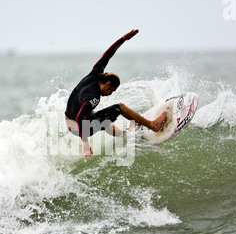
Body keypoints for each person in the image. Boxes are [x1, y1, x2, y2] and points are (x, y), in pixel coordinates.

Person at [65, 29, 167, 158]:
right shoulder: (93, 97)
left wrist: (123, 39)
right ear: (107, 84)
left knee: (103, 121)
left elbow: (106, 55)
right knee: (120, 107)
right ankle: (153, 125)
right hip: (77, 125)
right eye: (111, 90)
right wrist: (85, 143)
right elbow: (80, 117)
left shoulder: (95, 74)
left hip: (71, 120)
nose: (110, 94)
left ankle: (126, 136)